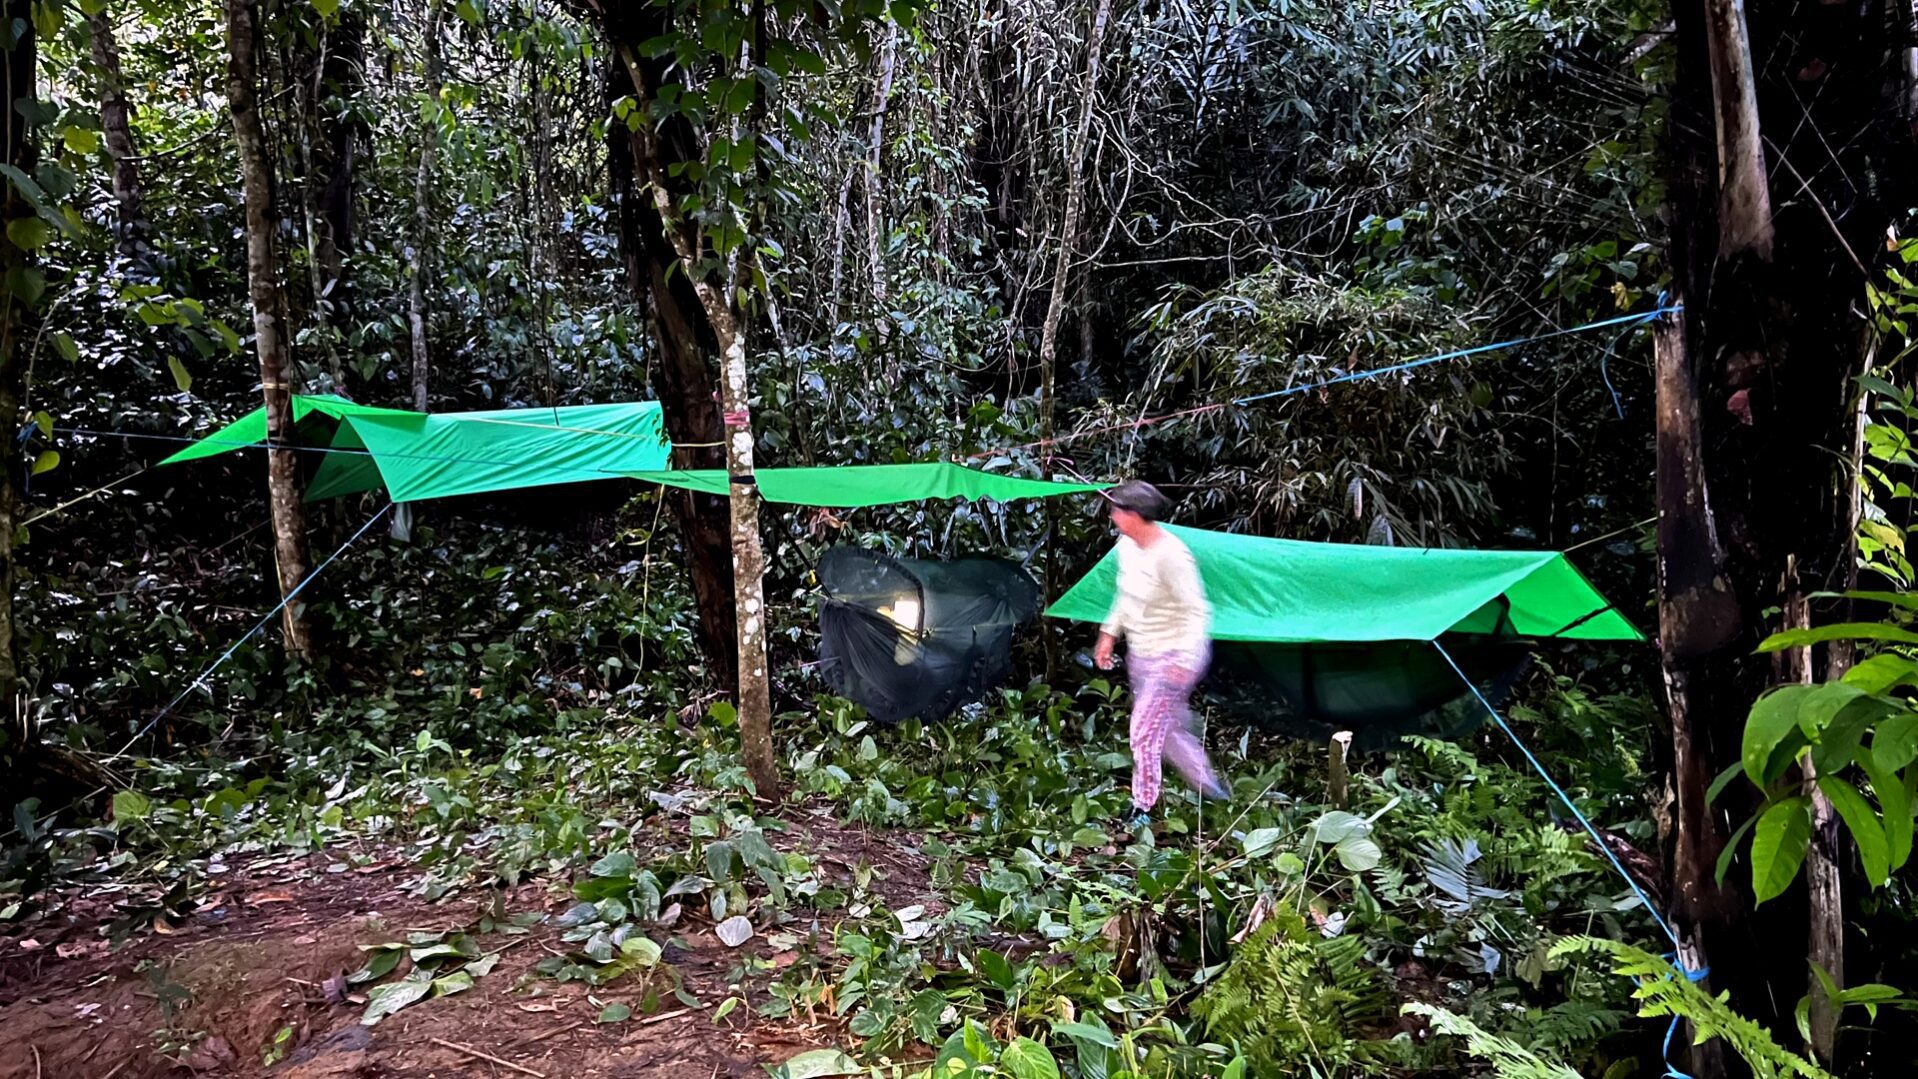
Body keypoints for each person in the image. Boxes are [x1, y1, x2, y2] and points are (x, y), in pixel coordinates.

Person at [1093, 480, 1226, 832]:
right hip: (1143, 653)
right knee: (1165, 730)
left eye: (1117, 510)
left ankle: (1143, 805)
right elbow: (1125, 597)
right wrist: (1108, 634)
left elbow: (1196, 611)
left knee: (1142, 731)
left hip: (1174, 655)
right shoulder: (1127, 547)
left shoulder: (1172, 554)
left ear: (1135, 515)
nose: (1112, 515)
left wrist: (1185, 660)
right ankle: (1211, 789)